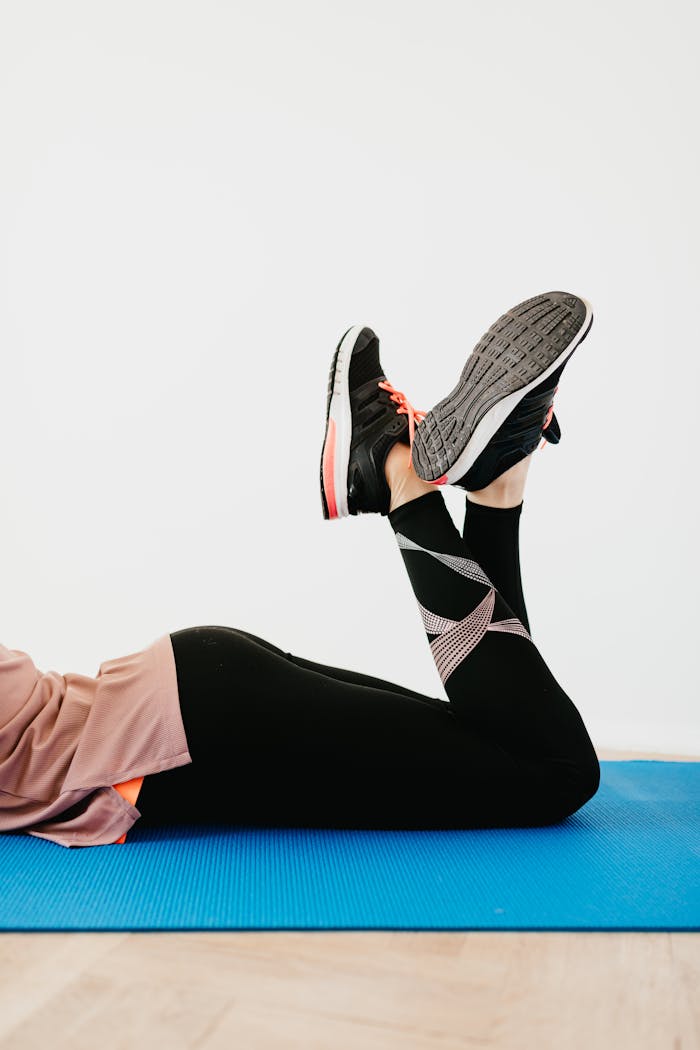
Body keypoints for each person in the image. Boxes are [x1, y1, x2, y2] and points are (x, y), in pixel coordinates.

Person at [0, 290, 600, 849]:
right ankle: (497, 486)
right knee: (497, 738)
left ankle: (392, 470)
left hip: (189, 738)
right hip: (189, 700)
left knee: (553, 771)